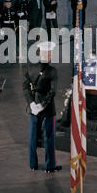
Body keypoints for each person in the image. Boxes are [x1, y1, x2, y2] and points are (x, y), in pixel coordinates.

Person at [23, 41, 62, 173]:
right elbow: (52, 92)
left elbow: (25, 87)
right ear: (49, 54)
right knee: (49, 137)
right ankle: (50, 166)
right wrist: (43, 105)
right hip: (47, 109)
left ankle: (33, 164)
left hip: (33, 107)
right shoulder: (52, 71)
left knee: (33, 136)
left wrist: (32, 103)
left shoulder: (30, 67)